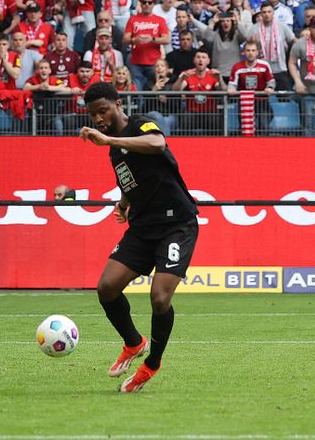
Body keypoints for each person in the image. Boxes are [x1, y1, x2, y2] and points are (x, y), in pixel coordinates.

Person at [79, 81, 199, 393]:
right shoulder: (114, 148)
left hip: (177, 224)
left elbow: (157, 144)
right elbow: (130, 178)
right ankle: (134, 343)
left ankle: (152, 363)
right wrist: (123, 202)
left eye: (103, 110)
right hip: (143, 227)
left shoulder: (141, 123)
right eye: (94, 115)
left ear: (118, 104)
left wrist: (106, 139)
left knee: (159, 297)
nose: (100, 118)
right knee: (106, 287)